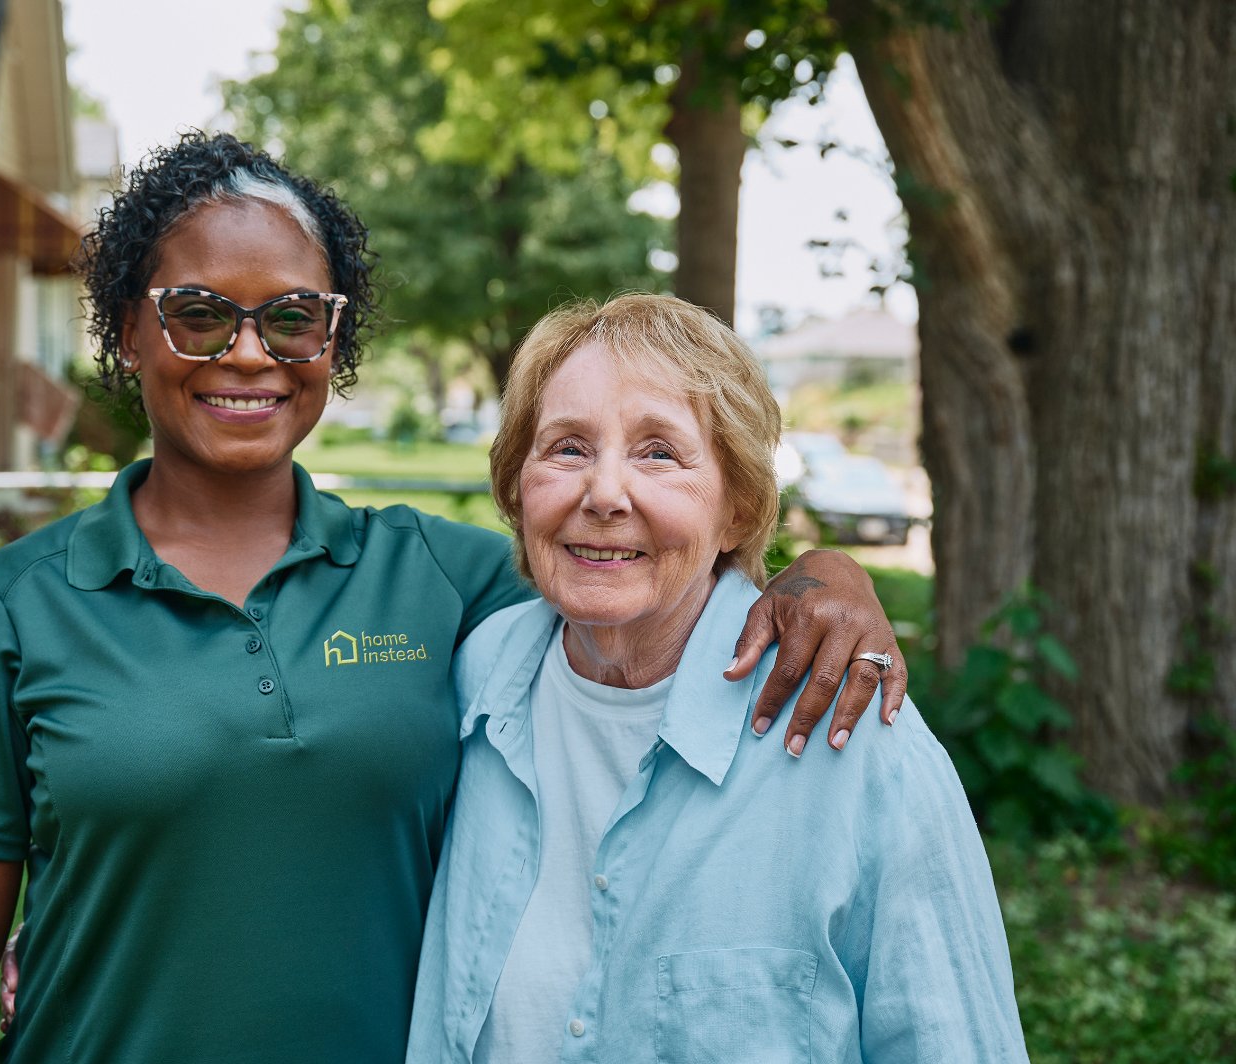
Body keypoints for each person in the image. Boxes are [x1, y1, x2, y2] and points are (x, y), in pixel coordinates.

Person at [0, 133, 907, 1064]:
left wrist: (824, 575)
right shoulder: (9, 613)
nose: (247, 352)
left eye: (292, 317)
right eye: (197, 314)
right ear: (130, 333)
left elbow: (642, 575)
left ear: (335, 341)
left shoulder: (444, 581)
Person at [406, 293, 1026, 1063]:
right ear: (517, 486)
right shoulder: (469, 681)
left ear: (736, 509)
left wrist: (830, 570)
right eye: (567, 447)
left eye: (659, 452)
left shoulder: (855, 740)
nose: (603, 494)